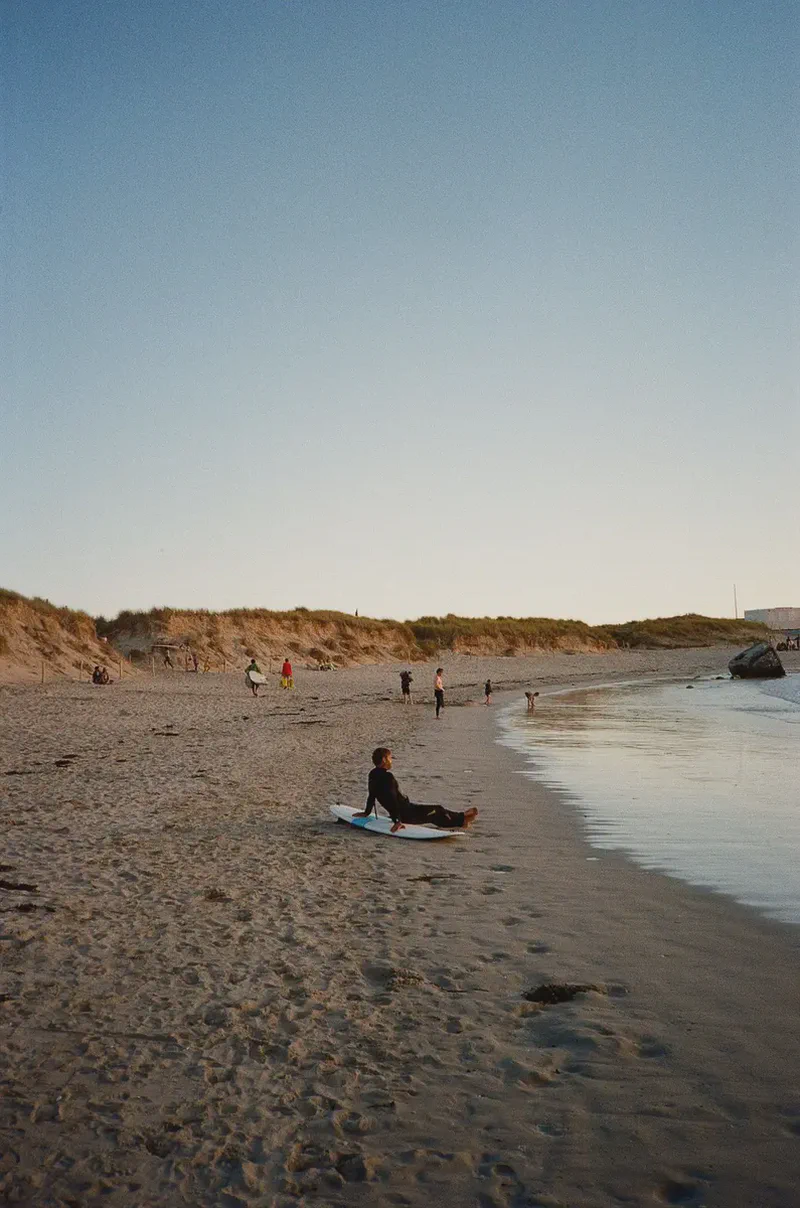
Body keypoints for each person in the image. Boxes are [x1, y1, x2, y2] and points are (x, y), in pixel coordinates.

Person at [354, 747, 478, 832]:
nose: (391, 761)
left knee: (436, 810)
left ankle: (462, 817)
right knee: (437, 811)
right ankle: (462, 821)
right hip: (406, 814)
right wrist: (398, 821)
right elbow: (392, 800)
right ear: (383, 760)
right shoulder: (388, 777)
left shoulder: (372, 775)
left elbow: (372, 795)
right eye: (390, 758)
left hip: (406, 810)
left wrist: (366, 812)